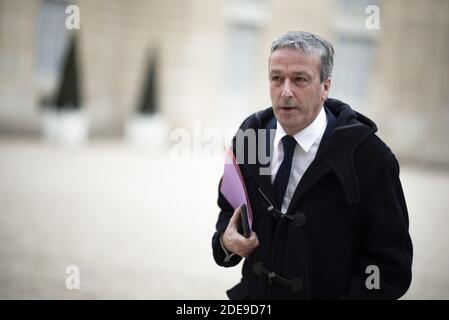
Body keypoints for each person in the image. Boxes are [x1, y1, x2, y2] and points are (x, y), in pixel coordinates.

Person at [212, 31, 413, 299]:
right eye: (276, 78)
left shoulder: (370, 157)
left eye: (299, 79)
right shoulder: (250, 138)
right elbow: (228, 213)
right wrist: (227, 242)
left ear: (325, 87)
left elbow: (388, 268)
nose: (285, 91)